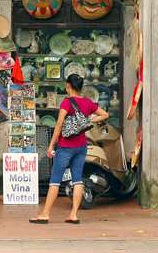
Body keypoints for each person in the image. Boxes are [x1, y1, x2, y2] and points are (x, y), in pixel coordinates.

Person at [30, 74, 108, 225]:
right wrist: (89, 120)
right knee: (77, 179)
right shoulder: (87, 102)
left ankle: (45, 214)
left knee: (55, 181)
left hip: (65, 147)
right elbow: (105, 114)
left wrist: (51, 145)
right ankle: (73, 214)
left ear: (68, 86)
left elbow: (59, 125)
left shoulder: (66, 103)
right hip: (81, 146)